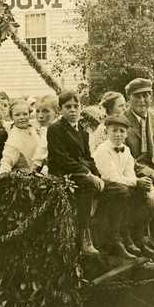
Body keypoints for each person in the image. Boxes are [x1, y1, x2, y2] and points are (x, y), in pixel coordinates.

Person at [93, 115, 154, 258]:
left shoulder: (126, 150)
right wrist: (136, 182)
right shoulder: (102, 150)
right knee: (123, 191)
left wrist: (139, 181)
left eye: (122, 131)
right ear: (106, 132)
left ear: (126, 133)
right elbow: (110, 177)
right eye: (114, 131)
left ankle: (134, 236)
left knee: (140, 191)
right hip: (104, 187)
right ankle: (116, 239)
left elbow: (129, 174)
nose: (118, 135)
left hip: (120, 186)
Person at [47, 90, 103, 256]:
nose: (72, 110)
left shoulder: (82, 129)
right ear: (60, 109)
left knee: (105, 186)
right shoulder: (55, 129)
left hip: (79, 170)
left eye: (75, 106)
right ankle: (83, 236)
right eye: (67, 107)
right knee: (88, 186)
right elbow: (61, 158)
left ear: (80, 107)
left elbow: (88, 156)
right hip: (62, 173)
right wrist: (88, 174)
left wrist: (97, 174)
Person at [0, 99, 41, 173]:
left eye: (25, 114)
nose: (22, 117)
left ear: (29, 114)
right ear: (12, 117)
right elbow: (7, 160)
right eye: (17, 115)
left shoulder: (33, 128)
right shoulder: (14, 136)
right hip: (25, 175)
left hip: (40, 170)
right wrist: (4, 176)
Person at [31, 94, 58, 174]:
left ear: (56, 112)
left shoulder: (52, 129)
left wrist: (32, 171)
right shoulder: (44, 128)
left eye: (45, 111)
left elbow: (40, 154)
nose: (40, 116)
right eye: (38, 111)